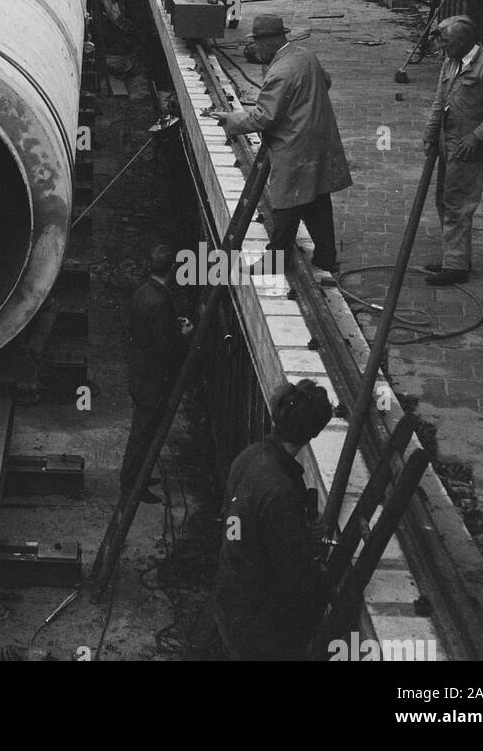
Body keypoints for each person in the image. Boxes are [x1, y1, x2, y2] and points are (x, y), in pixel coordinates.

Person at [210, 14, 351, 281]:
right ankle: (326, 256)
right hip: (318, 140)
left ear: (272, 41)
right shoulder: (305, 55)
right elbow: (326, 81)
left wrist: (230, 119)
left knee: (287, 202)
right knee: (317, 198)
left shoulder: (280, 71)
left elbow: (264, 116)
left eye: (258, 44)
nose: (255, 50)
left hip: (295, 147)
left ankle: (275, 260)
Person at [214, 379, 334, 661]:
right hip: (257, 628)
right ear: (312, 434)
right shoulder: (279, 490)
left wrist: (299, 530)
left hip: (230, 598)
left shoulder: (251, 455)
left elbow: (251, 525)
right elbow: (294, 573)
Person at [421, 15, 483, 285]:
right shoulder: (451, 60)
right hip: (446, 140)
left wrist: (478, 137)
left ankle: (456, 267)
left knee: (458, 203)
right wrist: (430, 134)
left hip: (467, 146)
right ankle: (455, 257)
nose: (443, 47)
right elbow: (440, 100)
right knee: (445, 199)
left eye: (447, 42)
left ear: (464, 42)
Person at [118, 245, 192, 503]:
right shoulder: (161, 300)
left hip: (140, 373)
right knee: (142, 434)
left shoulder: (143, 292)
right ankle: (131, 486)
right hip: (152, 381)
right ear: (172, 268)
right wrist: (182, 335)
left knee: (143, 431)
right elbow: (166, 349)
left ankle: (139, 476)